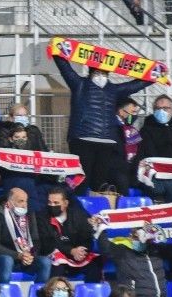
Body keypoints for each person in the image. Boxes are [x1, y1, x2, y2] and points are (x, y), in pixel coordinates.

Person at [52, 48, 152, 193]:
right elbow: (65, 69)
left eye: (104, 73)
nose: (101, 76)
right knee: (80, 178)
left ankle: (96, 210)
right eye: (97, 72)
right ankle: (74, 202)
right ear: (90, 72)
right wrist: (57, 50)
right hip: (82, 138)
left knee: (99, 180)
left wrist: (154, 74)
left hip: (107, 141)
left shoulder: (114, 89)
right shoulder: (79, 84)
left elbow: (134, 86)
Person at [93, 218, 171, 297]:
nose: (138, 240)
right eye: (135, 236)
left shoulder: (157, 251)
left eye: (141, 236)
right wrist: (101, 229)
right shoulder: (122, 253)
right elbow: (105, 248)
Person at [0, 187, 53, 283]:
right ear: (9, 203)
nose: (24, 205)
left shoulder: (29, 214)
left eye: (26, 201)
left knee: (45, 262)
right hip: (4, 257)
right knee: (7, 260)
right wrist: (18, 255)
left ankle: (40, 294)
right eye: (21, 201)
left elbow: (35, 240)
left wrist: (30, 255)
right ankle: (2, 294)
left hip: (25, 258)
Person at [44, 186, 101, 281]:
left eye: (56, 203)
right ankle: (54, 294)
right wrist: (71, 250)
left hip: (77, 256)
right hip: (56, 257)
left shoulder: (78, 215)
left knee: (95, 265)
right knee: (57, 265)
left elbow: (87, 237)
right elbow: (48, 242)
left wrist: (81, 252)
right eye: (50, 203)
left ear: (66, 203)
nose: (52, 206)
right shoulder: (43, 217)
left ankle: (90, 294)